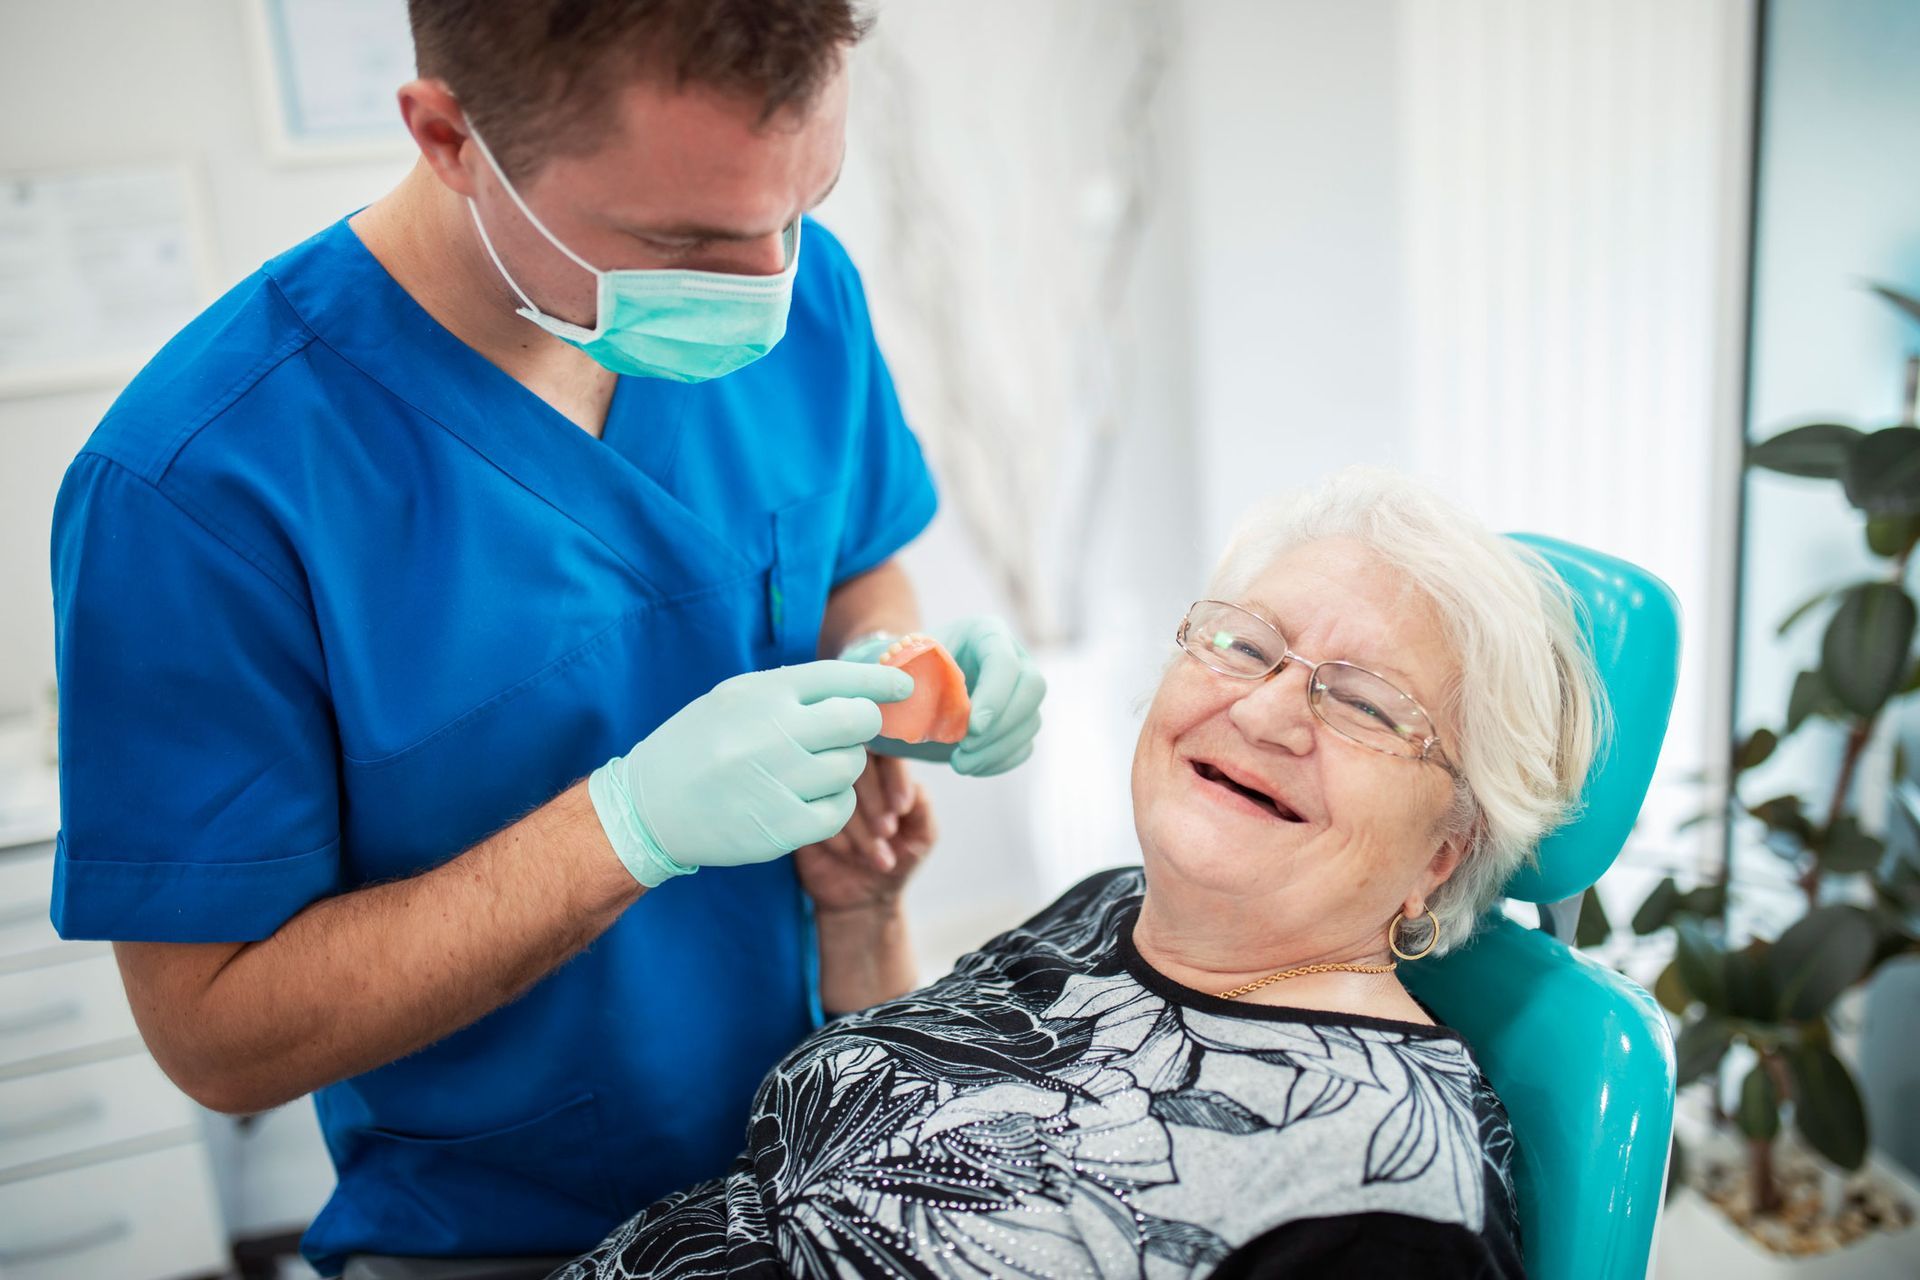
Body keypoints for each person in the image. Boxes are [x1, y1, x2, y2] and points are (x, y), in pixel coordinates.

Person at [45, 3, 1046, 1276]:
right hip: (507, 1236)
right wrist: (623, 828)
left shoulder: (802, 281)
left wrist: (908, 662)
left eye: (806, 201)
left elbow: (855, 560)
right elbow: (214, 1033)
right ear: (450, 135)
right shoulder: (199, 486)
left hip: (835, 1146)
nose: (768, 281)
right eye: (680, 239)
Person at [548, 467, 1606, 1279]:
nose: (1267, 711)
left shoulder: (1382, 1182)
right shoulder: (1112, 908)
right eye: (1244, 645)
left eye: (1366, 703)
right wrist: (862, 919)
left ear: (1442, 852)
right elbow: (892, 1143)